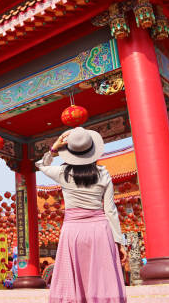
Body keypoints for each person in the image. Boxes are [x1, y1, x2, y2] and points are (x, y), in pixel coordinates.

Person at [37, 127, 128, 303]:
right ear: (92, 151)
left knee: (74, 277)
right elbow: (110, 210)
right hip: (100, 230)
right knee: (101, 277)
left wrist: (53, 149)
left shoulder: (63, 173)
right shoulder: (103, 174)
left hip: (73, 231)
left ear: (70, 152)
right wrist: (119, 241)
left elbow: (42, 165)